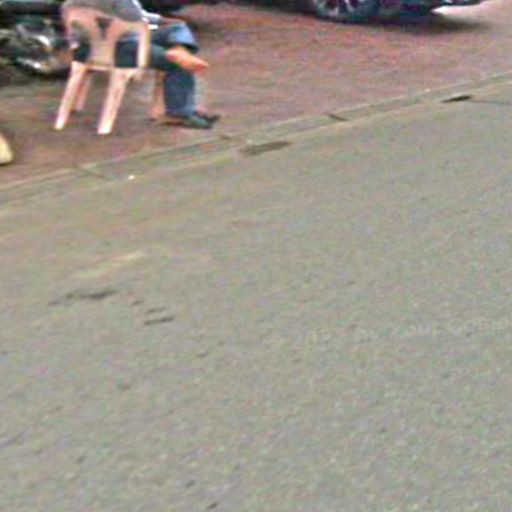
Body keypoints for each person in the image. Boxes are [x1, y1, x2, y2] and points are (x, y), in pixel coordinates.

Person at [62, 0, 219, 129]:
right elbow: (136, 18)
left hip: (87, 50)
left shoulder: (69, 4)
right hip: (123, 48)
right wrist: (155, 22)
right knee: (178, 63)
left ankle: (180, 51)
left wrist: (159, 20)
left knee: (177, 28)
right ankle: (178, 113)